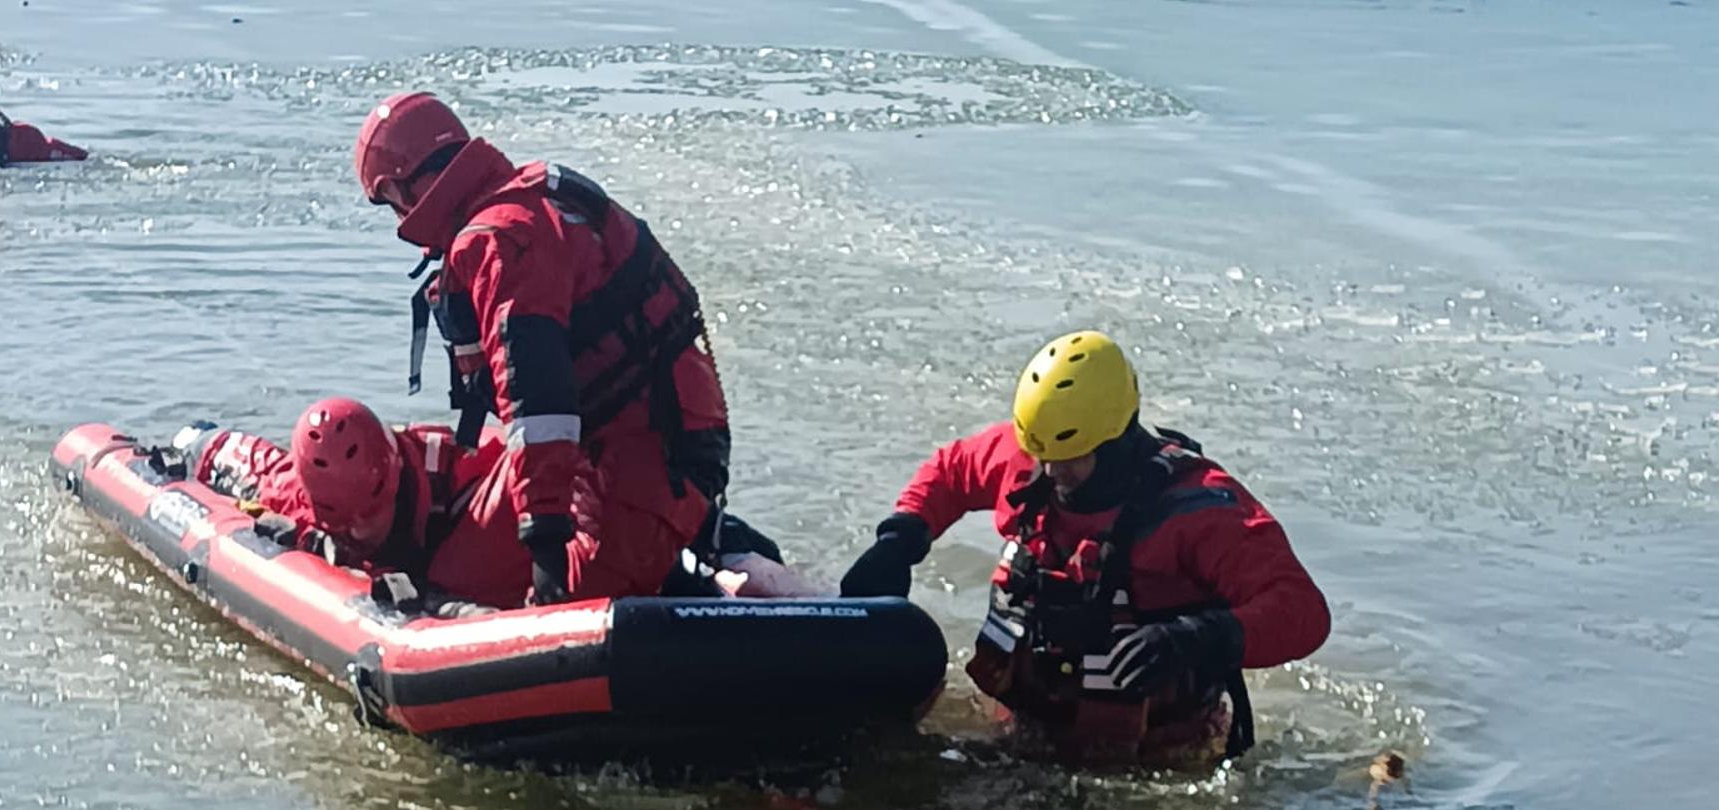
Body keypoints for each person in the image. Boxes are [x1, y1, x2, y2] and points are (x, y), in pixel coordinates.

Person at [839, 330, 1330, 765]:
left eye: (1070, 459)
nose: (1052, 474)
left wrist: (1194, 636)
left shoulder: (1202, 511)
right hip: (1021, 730)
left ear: (1115, 439)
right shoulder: (1035, 456)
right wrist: (902, 536)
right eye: (1042, 455)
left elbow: (1302, 611)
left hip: (1155, 762)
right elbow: (954, 470)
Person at [353, 92, 734, 606]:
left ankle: (698, 572)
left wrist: (547, 546)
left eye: (389, 200)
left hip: (648, 456)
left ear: (406, 185)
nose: (396, 216)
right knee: (456, 577)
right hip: (598, 450)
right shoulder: (516, 205)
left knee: (571, 601)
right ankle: (695, 550)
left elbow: (540, 405)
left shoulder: (499, 242)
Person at [170, 397, 811, 615]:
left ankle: (732, 559)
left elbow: (560, 475)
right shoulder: (319, 493)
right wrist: (202, 447)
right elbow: (265, 470)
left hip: (549, 556)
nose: (364, 527)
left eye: (373, 512)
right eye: (349, 521)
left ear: (391, 477)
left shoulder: (471, 494)